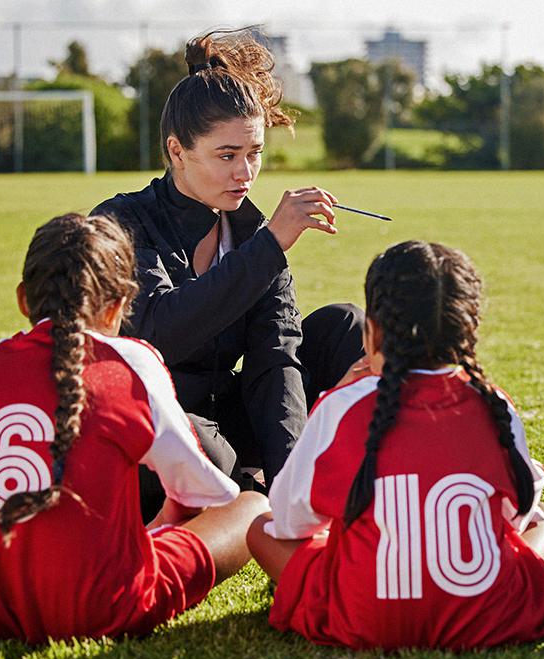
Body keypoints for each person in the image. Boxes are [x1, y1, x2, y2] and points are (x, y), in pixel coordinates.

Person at [0, 214, 269, 642]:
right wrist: (153, 534)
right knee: (251, 506)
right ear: (119, 306)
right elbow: (201, 494)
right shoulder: (133, 363)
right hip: (102, 606)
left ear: (24, 301)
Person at [92, 30, 363, 517]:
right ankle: (241, 491)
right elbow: (156, 333)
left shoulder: (251, 229)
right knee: (202, 448)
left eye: (254, 152)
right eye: (227, 155)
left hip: (226, 417)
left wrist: (290, 482)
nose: (245, 172)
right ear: (178, 152)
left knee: (345, 326)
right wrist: (268, 248)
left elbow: (274, 358)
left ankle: (364, 478)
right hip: (153, 423)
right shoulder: (122, 222)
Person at [247, 241, 544, 650]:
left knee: (259, 528)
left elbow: (289, 521)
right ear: (468, 333)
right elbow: (517, 515)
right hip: (488, 616)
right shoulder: (493, 405)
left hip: (367, 618)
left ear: (373, 331)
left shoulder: (343, 406)